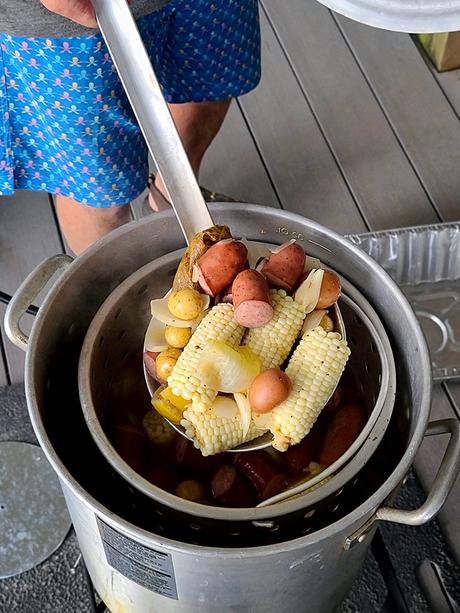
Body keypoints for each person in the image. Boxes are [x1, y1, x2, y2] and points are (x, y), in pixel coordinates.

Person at [0, 0, 261, 254]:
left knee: (209, 82)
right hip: (71, 20)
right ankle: (113, 281)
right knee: (97, 188)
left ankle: (169, 198)